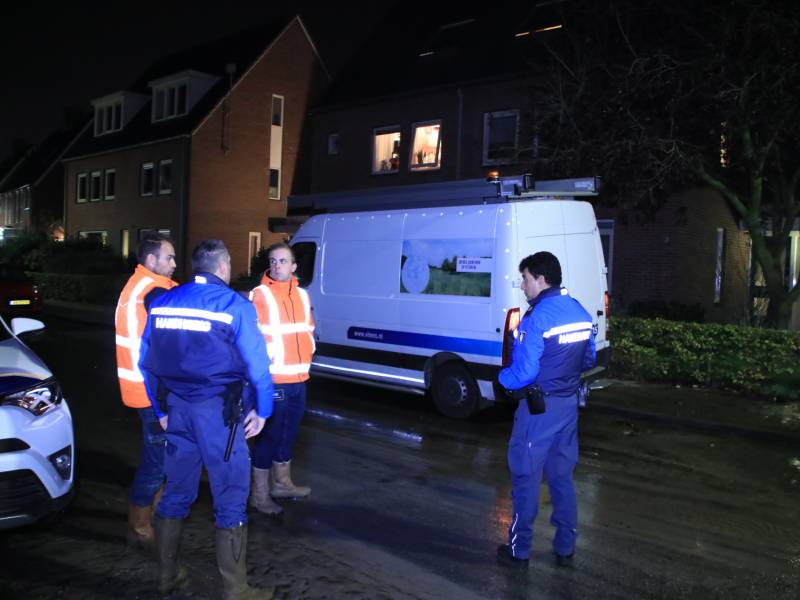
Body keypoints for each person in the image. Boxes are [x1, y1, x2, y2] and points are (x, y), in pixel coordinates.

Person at [139, 239, 274, 599]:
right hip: (220, 416)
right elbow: (258, 367)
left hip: (178, 411)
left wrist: (161, 410)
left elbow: (146, 363)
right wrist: (263, 410)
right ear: (224, 266)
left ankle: (167, 577)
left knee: (177, 493)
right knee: (230, 496)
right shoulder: (234, 306)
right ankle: (237, 590)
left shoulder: (163, 302)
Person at [496, 251, 596, 570]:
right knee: (561, 478)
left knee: (525, 478)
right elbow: (588, 360)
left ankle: (519, 551)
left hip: (538, 411)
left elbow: (523, 373)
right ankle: (565, 546)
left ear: (541, 279)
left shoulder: (537, 317)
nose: (522, 286)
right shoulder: (579, 311)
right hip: (568, 407)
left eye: (524, 279)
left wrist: (501, 379)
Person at [115, 233, 178, 549]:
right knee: (157, 462)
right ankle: (139, 528)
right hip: (153, 394)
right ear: (151, 260)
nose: (174, 263)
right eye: (169, 257)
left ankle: (151, 515)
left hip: (146, 391)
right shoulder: (150, 293)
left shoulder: (142, 287)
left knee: (162, 457)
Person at [248, 242, 315, 515]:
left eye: (283, 261)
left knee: (289, 433)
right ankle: (259, 495)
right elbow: (251, 338)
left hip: (300, 377)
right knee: (269, 437)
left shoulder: (303, 295)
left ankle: (282, 484)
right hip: (274, 380)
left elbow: (308, 329)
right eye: (273, 261)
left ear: (294, 266)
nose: (277, 265)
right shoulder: (260, 294)